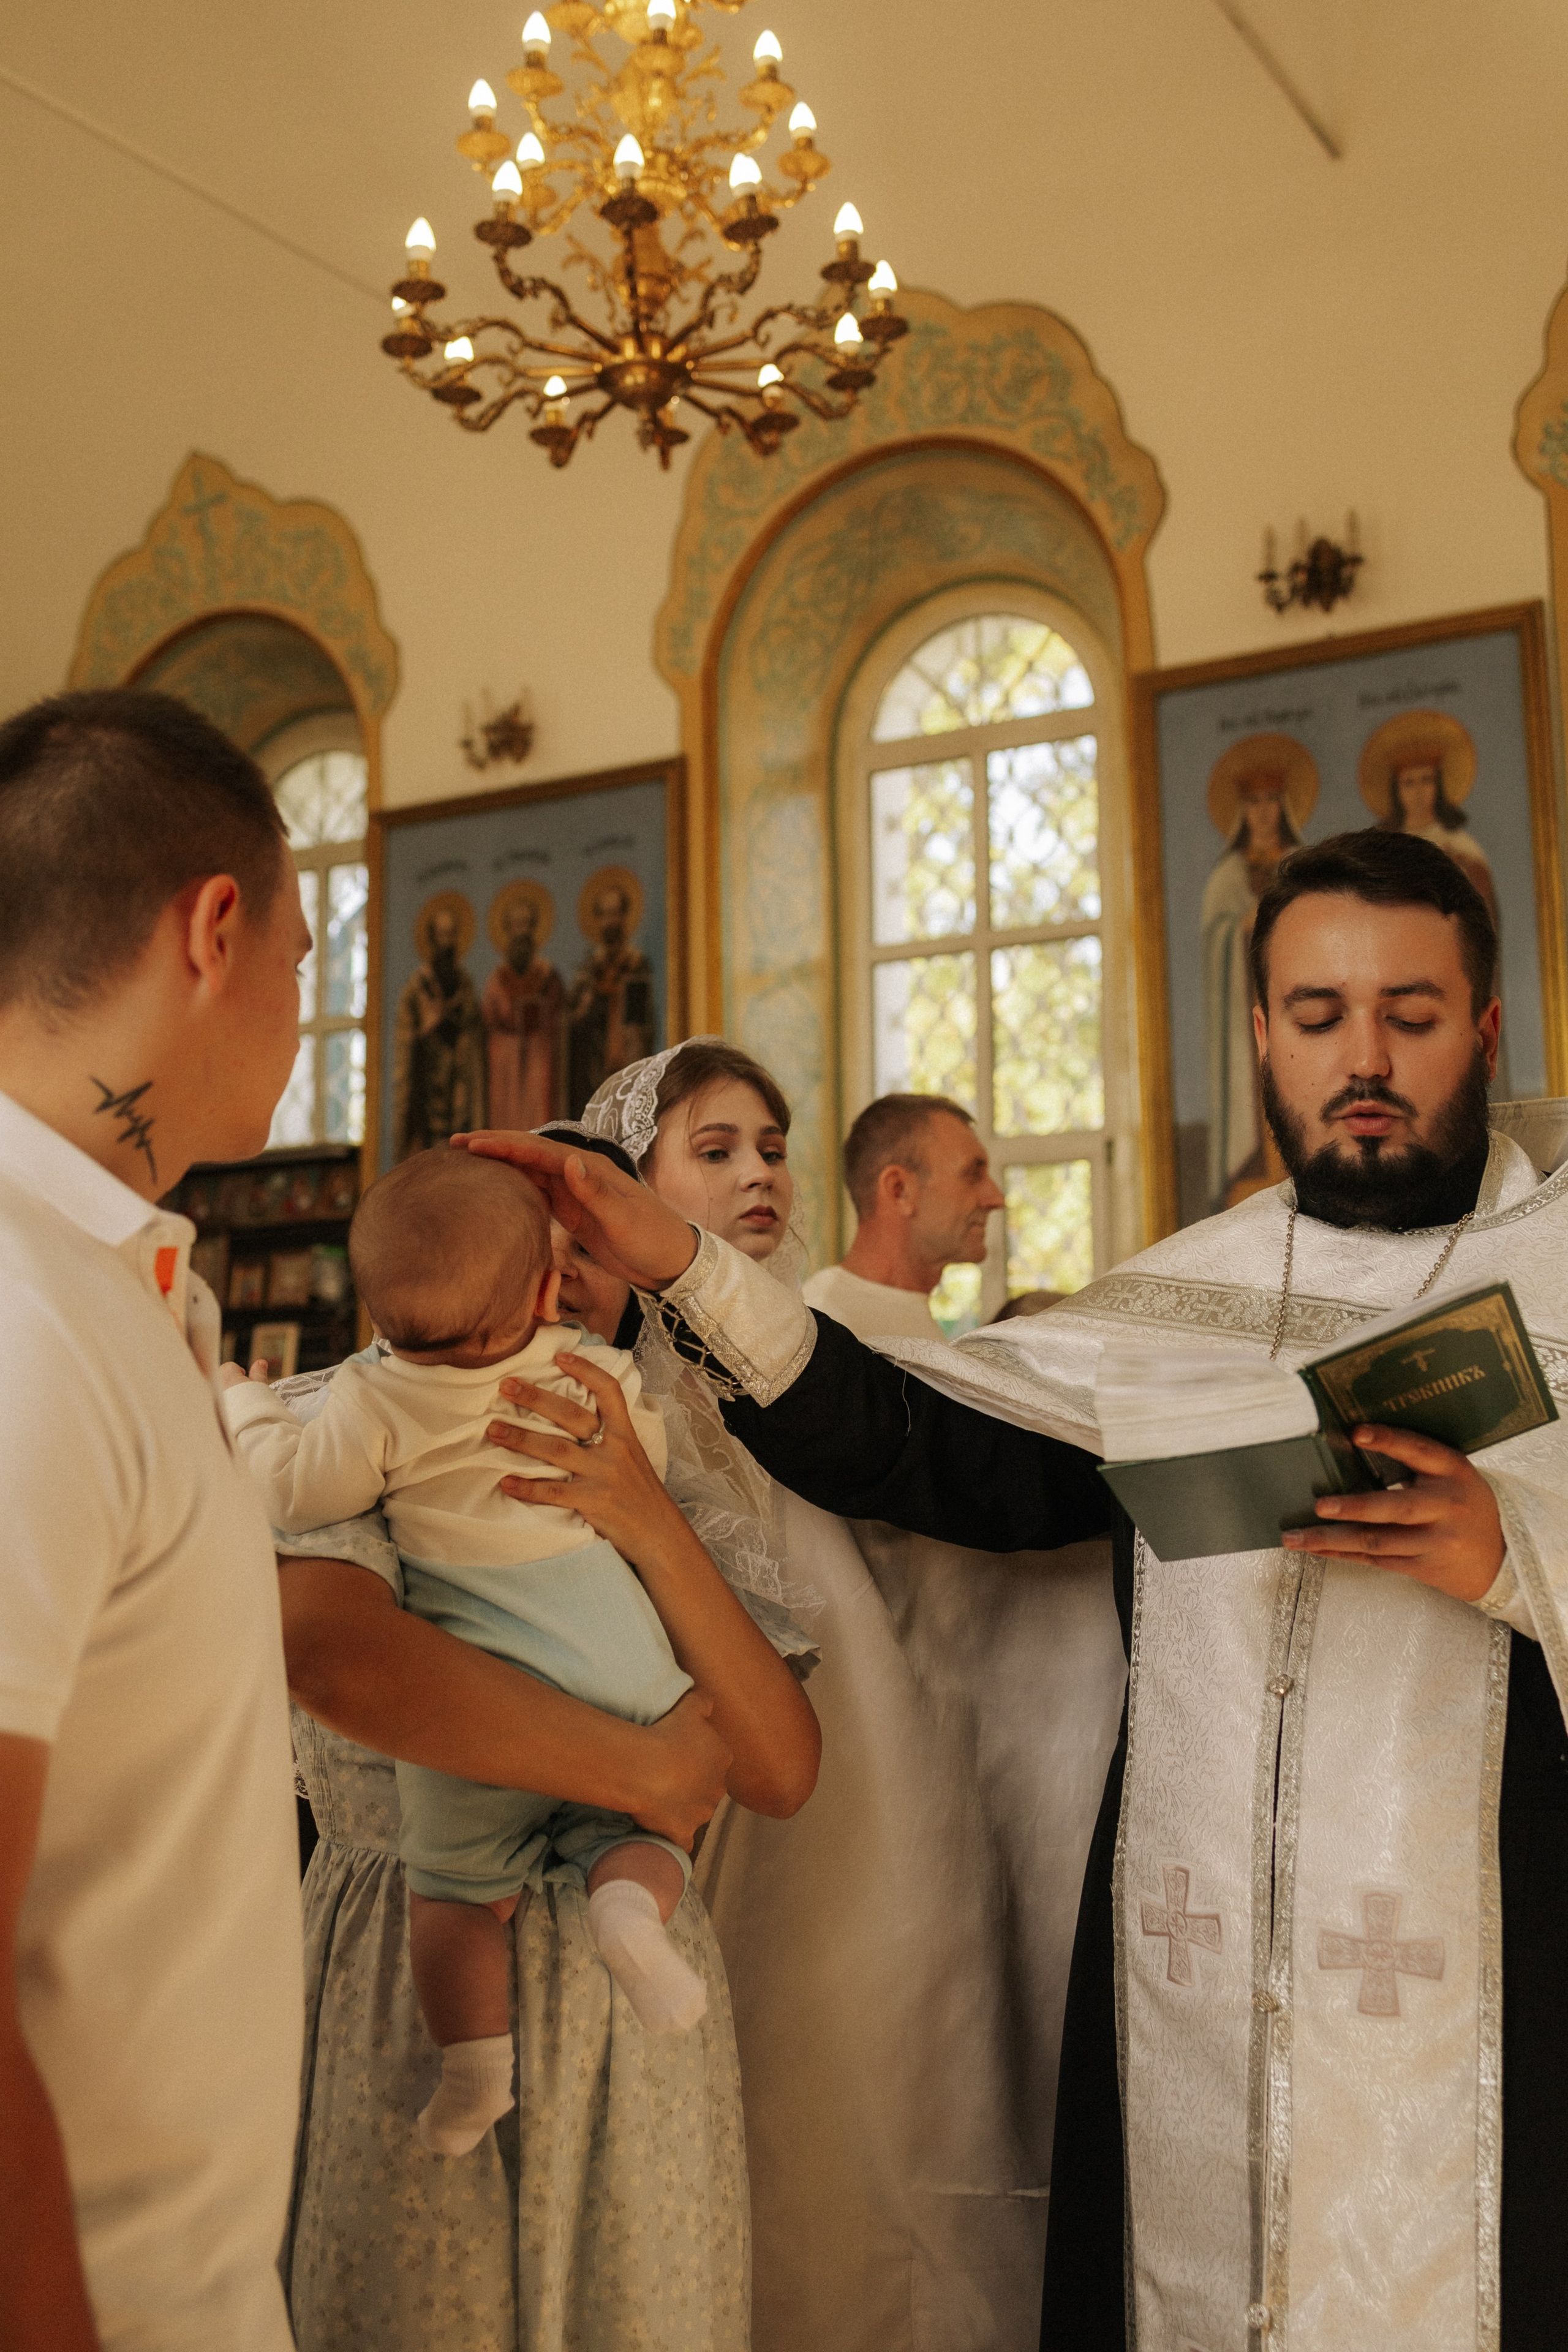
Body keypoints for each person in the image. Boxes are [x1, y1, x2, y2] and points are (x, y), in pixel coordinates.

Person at [469, 832, 1568, 2352]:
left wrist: (1511, 1552)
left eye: (1410, 1011)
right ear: (1256, 1032)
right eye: (1316, 1016)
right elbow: (925, 1449)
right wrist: (680, 1260)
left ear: (1488, 1023)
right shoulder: (1189, 1297)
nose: (1361, 1056)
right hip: (1192, 1999)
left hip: (1500, 2012)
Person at [465, 1041, 1126, 2352]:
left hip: (861, 1796)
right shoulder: (600, 1398)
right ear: (618, 1195)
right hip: (685, 1822)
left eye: (770, 1146)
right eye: (712, 1152)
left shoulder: (821, 1368)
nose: (757, 1170)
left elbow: (931, 1495)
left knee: (870, 2108)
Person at [271, 1119, 818, 2348]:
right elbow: (336, 1652)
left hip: (624, 2015)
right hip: (408, 1988)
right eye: (543, 1240)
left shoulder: (646, 1450)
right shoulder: (355, 1424)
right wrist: (645, 1767)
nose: (570, 1275)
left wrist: (644, 1517)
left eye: (595, 1238)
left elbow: (779, 1766)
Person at [0, 689, 309, 2350]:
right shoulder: (20, 1312)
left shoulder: (112, 1285)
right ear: (212, 931)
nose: (300, 1011)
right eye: (301, 955)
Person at [225, 1152, 736, 2155]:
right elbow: (651, 1465)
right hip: (615, 1657)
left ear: (374, 1309)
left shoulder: (372, 1396)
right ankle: (631, 1912)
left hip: (488, 1690)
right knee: (642, 1835)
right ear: (548, 1288)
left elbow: (293, 1494)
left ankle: (474, 2073)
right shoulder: (592, 1372)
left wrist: (246, 1408)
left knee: (456, 1894)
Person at [1200, 733, 1318, 1211]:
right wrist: (1239, 930)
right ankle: (1253, 1173)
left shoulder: (1306, 865)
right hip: (1244, 1010)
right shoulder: (1227, 877)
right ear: (1242, 811)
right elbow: (1215, 942)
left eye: (1272, 800)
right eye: (1254, 802)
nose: (1265, 812)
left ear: (1286, 805)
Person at [802, 1092, 1005, 1342]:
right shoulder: (823, 1327)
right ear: (900, 1190)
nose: (996, 1199)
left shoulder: (908, 1314)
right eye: (973, 1175)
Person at [393, 894, 487, 1159]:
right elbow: (405, 1037)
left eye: (452, 935)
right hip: (427, 1083)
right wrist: (426, 1029)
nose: (448, 942)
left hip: (458, 1081)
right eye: (442, 935)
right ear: (432, 939)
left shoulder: (464, 983)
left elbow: (473, 1028)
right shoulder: (417, 987)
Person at [567, 870, 655, 1116]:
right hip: (590, 1063)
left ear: (625, 916)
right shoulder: (589, 968)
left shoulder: (636, 964)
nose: (610, 922)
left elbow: (639, 1025)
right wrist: (585, 1008)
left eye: (615, 913)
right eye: (604, 915)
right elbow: (573, 1018)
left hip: (624, 1060)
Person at [482, 881, 564, 1129]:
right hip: (505, 1064)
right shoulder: (497, 979)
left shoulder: (547, 975)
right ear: (507, 929)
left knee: (539, 1122)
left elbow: (560, 1017)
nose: (521, 931)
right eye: (516, 925)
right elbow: (488, 1019)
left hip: (539, 1058)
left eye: (527, 924)